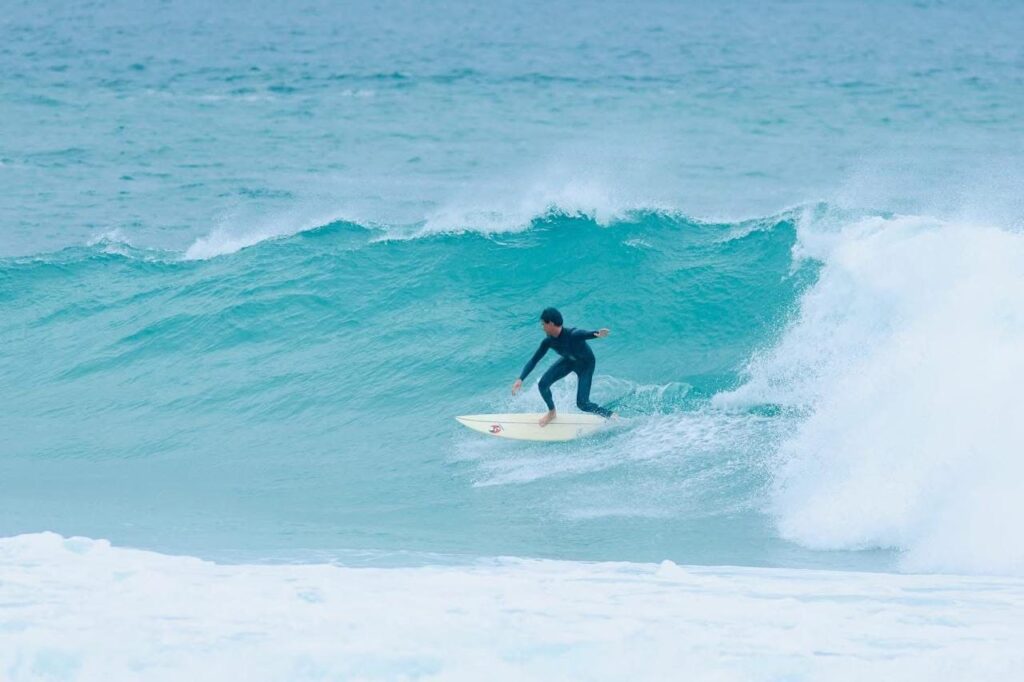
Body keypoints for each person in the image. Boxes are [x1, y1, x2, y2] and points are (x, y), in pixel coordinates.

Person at [511, 307, 614, 426]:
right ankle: (552, 412)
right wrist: (521, 378)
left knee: (583, 404)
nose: (542, 327)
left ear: (551, 323)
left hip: (586, 365)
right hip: (569, 361)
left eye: (543, 324)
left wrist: (596, 334)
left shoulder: (573, 335)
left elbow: (584, 334)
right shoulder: (548, 342)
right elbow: (534, 360)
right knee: (543, 385)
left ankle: (610, 415)